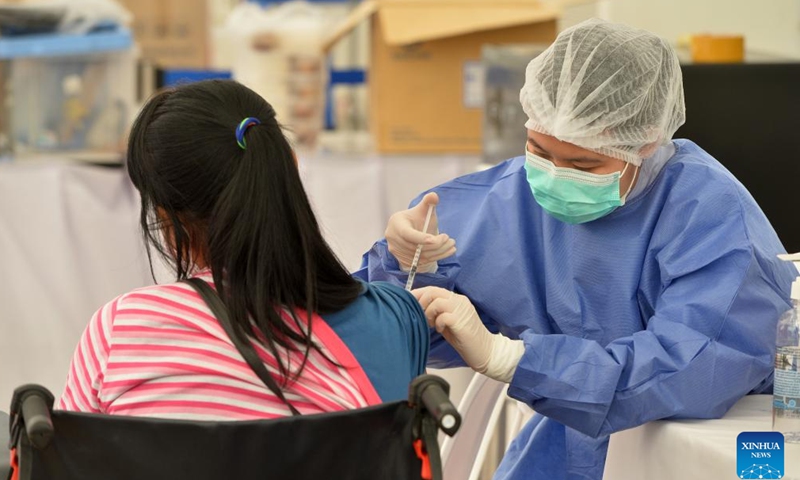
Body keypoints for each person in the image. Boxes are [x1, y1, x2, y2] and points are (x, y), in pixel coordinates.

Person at [357, 19, 796, 480]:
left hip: (699, 448)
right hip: (570, 442)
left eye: (584, 164)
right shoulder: (504, 200)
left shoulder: (709, 214)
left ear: (648, 139)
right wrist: (404, 270)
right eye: (538, 151)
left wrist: (511, 359)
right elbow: (379, 336)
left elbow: (689, 369)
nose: (555, 176)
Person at [59, 80, 429, 420]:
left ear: (164, 216)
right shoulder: (395, 320)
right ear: (291, 167)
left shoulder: (121, 331)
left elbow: (64, 458)